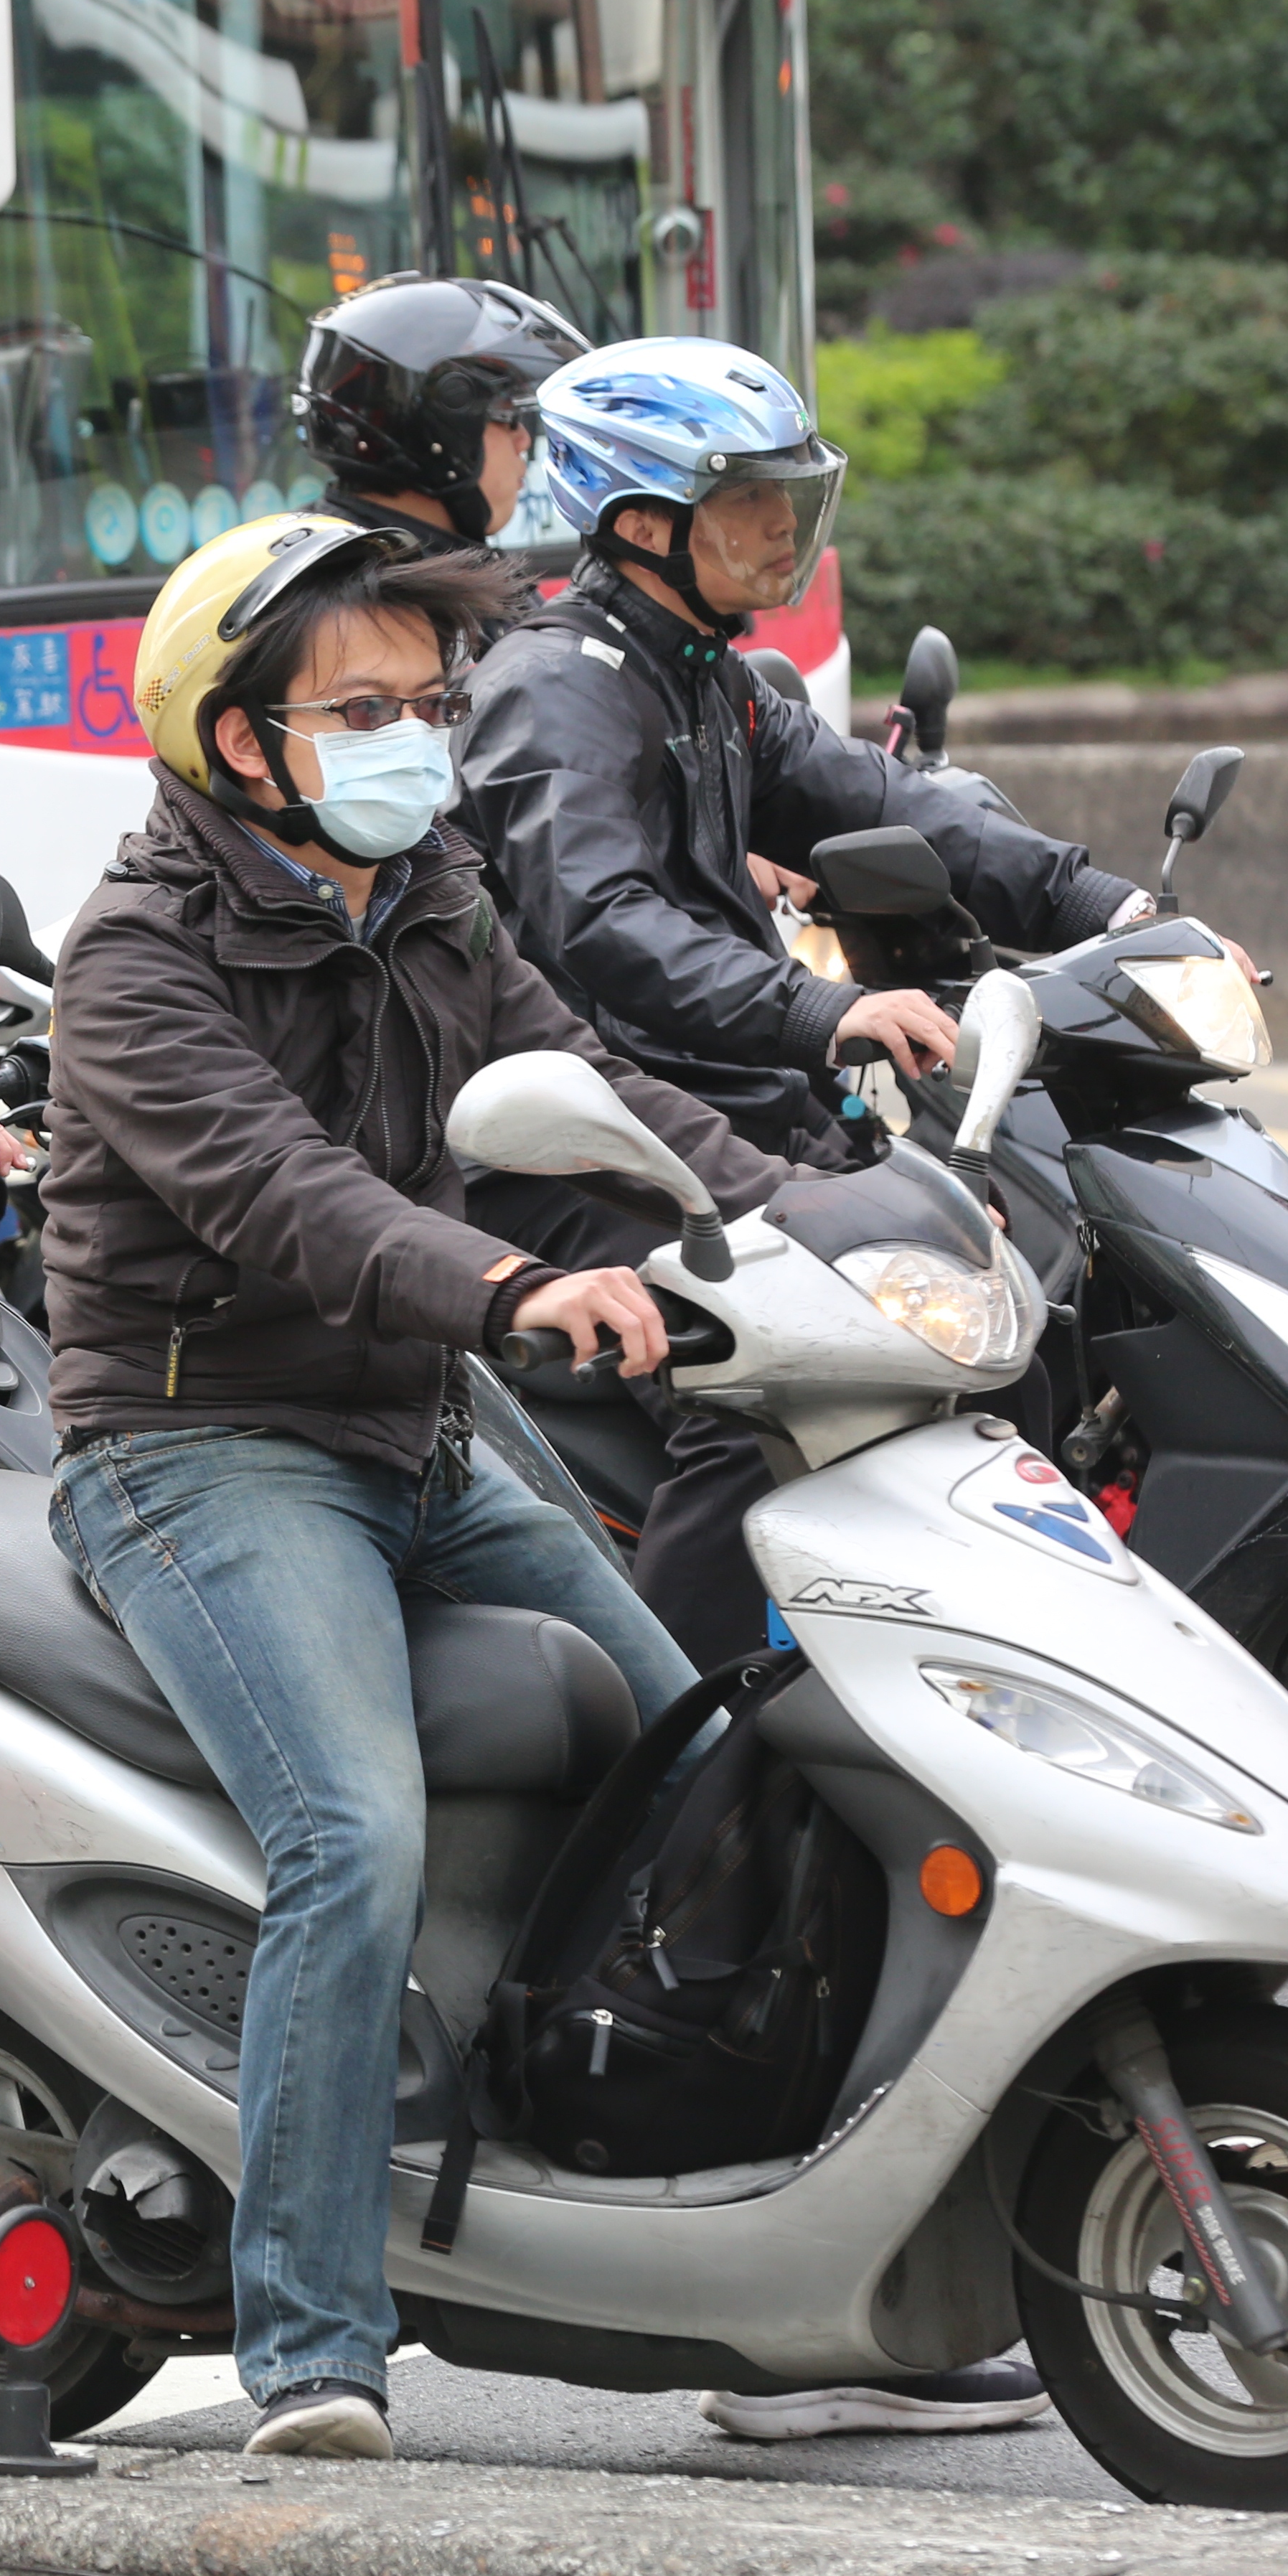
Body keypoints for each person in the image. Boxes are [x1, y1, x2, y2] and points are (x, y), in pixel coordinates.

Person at [44, 509, 1046, 2459]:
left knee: (721, 1781)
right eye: (364, 708)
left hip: (418, 1433)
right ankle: (310, 2339)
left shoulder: (423, 890)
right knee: (351, 1837)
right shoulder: (137, 959)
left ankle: (759, 2302)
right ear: (240, 739)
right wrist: (511, 1285)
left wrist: (831, 1216)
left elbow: (593, 1091)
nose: (414, 736)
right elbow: (286, 1196)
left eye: (426, 701)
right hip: (197, 1449)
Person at [457, 338, 1144, 1672]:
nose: (785, 528)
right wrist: (814, 1010)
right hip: (579, 1141)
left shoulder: (703, 676)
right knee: (774, 1383)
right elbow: (601, 921)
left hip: (712, 1109)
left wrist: (1103, 906)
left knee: (1004, 1312)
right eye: (748, 501)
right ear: (643, 524)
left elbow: (886, 798)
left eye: (793, 496)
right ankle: (683, 1728)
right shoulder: (557, 689)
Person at [293, 274, 593, 558]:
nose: (524, 441)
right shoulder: (393, 588)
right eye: (508, 416)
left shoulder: (334, 564)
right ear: (440, 429)